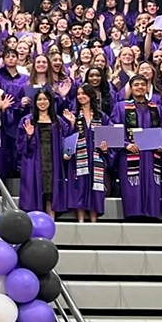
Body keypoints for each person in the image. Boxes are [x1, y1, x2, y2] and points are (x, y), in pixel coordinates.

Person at [112, 75, 162, 220]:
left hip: (151, 155)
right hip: (130, 154)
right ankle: (133, 216)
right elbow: (114, 129)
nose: (140, 87)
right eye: (136, 85)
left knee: (151, 186)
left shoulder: (157, 108)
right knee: (132, 187)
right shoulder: (121, 107)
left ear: (148, 87)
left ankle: (151, 216)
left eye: (143, 84)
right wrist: (126, 144)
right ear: (131, 88)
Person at [63, 84, 111, 223]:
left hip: (96, 157)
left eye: (84, 93)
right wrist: (72, 124)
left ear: (91, 96)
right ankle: (81, 220)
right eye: (78, 94)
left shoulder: (102, 117)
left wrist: (106, 148)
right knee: (80, 186)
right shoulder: (73, 116)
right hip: (78, 158)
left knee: (95, 186)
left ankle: (94, 221)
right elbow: (67, 138)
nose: (81, 96)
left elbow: (109, 136)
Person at [17, 90, 67, 218]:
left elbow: (66, 140)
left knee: (51, 192)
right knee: (35, 191)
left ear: (50, 102)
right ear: (35, 102)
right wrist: (28, 136)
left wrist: (72, 124)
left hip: (52, 160)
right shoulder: (28, 120)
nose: (42, 102)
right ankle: (35, 224)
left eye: (45, 99)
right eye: (39, 99)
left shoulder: (58, 121)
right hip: (34, 161)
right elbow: (20, 145)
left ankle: (51, 222)